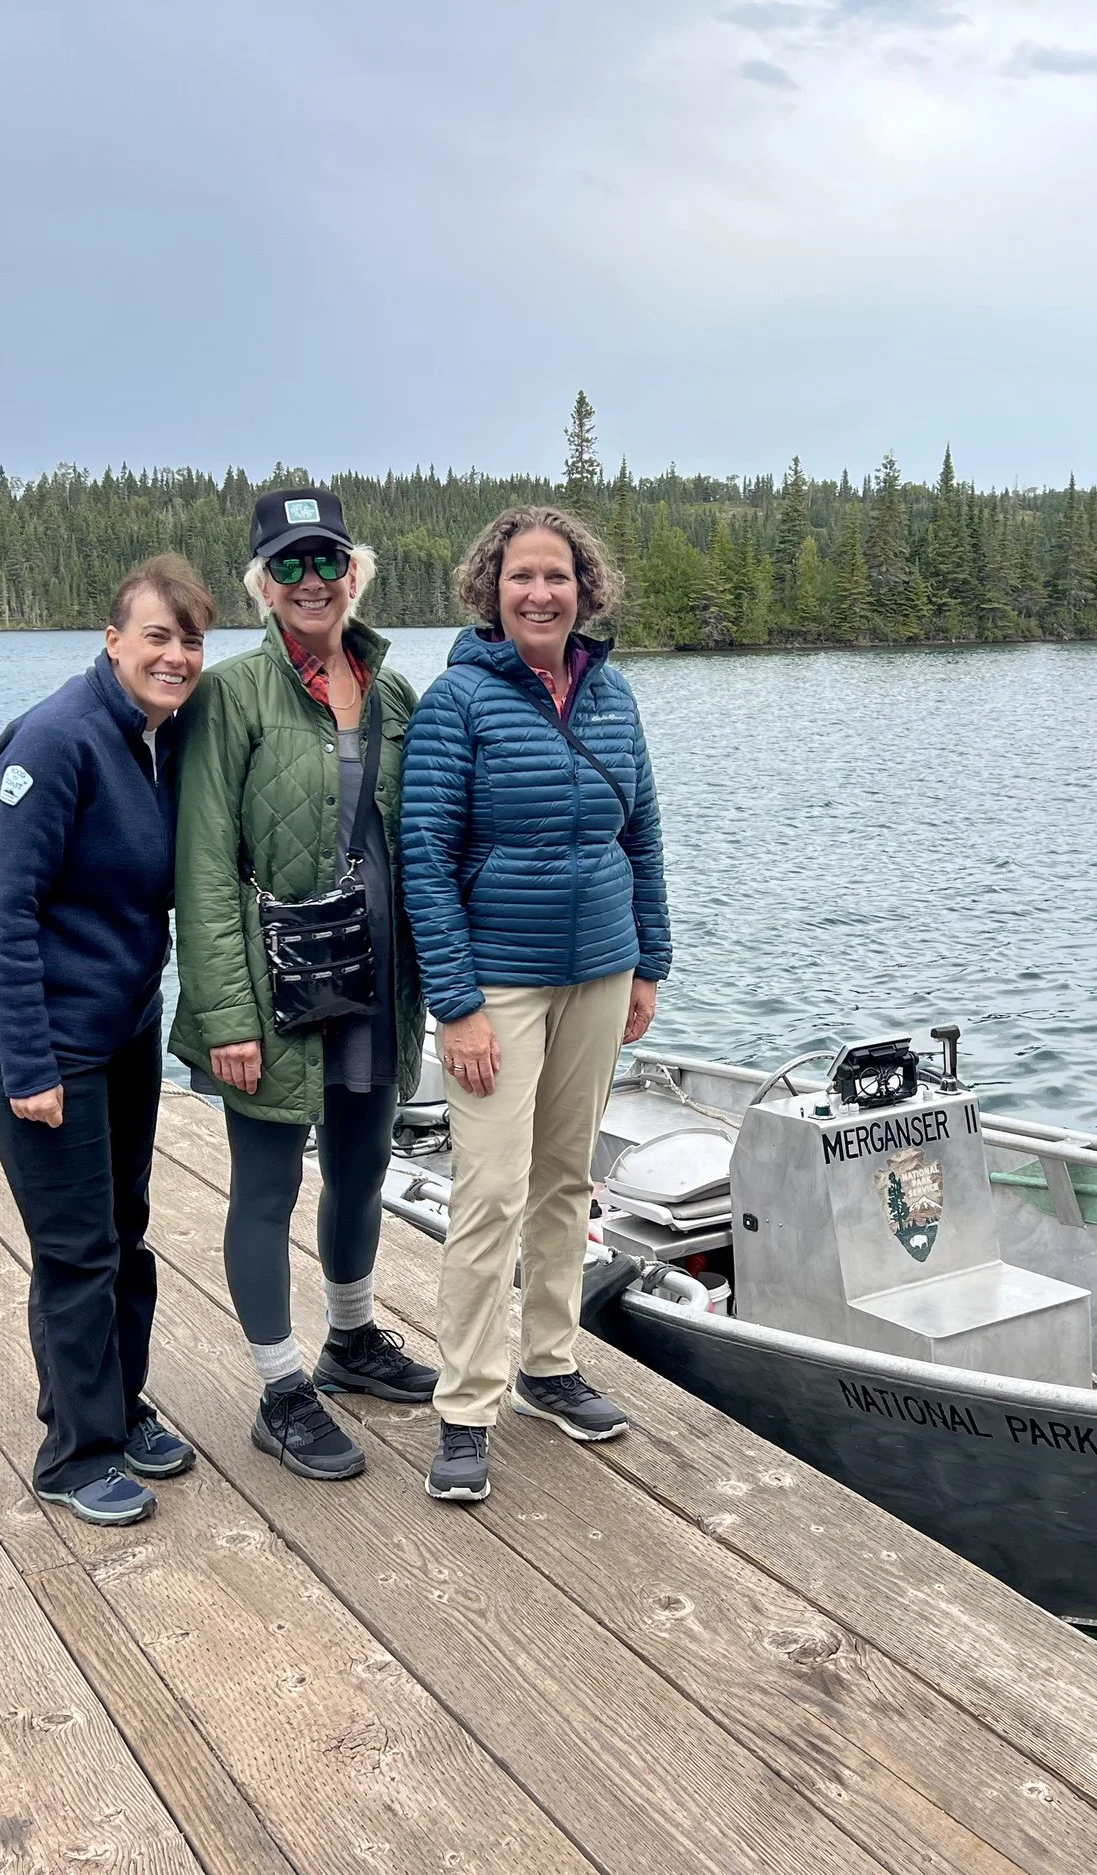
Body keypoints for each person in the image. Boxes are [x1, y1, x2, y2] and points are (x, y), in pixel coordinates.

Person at [399, 505, 670, 1502]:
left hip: (600, 973)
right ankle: (465, 1406)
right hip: (500, 985)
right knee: (490, 1194)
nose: (540, 593)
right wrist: (458, 1005)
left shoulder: (615, 700)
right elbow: (423, 861)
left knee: (565, 1182)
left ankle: (547, 1368)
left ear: (583, 588)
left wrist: (649, 964)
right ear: (490, 589)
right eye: (521, 578)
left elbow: (640, 838)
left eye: (557, 577)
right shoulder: (456, 704)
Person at [171, 486, 437, 1482]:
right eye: (287, 566)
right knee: (268, 1184)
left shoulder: (397, 693)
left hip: (377, 977)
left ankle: (353, 1342)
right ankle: (282, 1392)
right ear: (262, 587)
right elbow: (200, 865)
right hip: (271, 991)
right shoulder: (230, 696)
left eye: (327, 560)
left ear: (354, 571)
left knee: (363, 1166)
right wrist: (227, 1014)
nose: (311, 581)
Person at [0, 553, 211, 1526]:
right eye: (156, 636)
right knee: (76, 1246)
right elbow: (6, 909)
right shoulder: (55, 742)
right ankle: (75, 1454)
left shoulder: (161, 738)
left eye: (189, 640)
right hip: (31, 1025)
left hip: (119, 1018)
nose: (175, 656)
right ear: (112, 640)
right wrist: (31, 1066)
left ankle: (115, 1405)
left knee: (124, 1226)